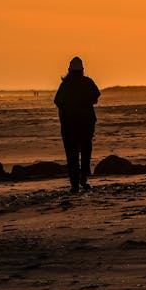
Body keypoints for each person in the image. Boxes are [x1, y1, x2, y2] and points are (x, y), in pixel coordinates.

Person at [54, 56, 100, 193]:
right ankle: (83, 179)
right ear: (82, 70)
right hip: (85, 124)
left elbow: (57, 101)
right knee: (85, 152)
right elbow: (96, 96)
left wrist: (69, 109)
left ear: (69, 70)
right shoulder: (87, 82)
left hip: (69, 126)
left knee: (72, 155)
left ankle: (74, 184)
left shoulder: (66, 84)